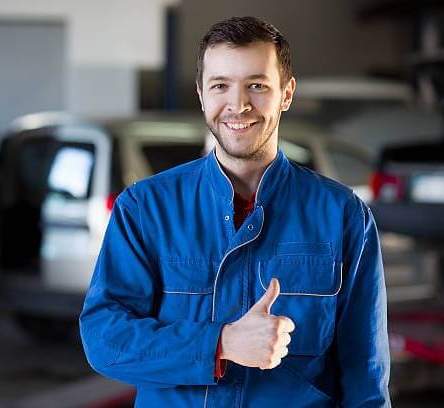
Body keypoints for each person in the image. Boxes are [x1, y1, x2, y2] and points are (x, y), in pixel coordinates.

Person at [79, 16, 390, 407]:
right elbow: (104, 339)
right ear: (201, 94)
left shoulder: (343, 217)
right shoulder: (146, 208)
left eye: (257, 86)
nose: (238, 104)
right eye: (221, 85)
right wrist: (221, 344)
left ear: (287, 93)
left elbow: (366, 378)